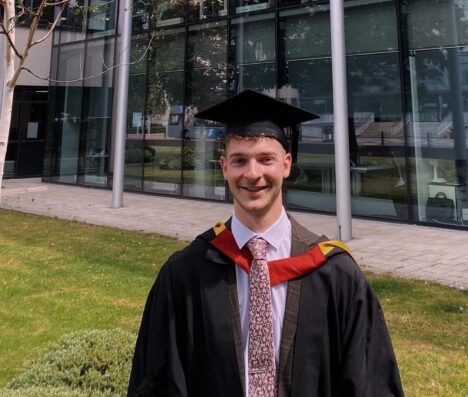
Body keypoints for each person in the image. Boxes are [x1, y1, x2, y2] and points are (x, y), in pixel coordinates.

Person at [128, 90, 404, 397]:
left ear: (286, 165)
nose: (253, 173)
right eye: (240, 161)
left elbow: (370, 383)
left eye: (265, 159)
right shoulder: (184, 275)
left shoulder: (336, 276)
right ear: (224, 168)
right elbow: (157, 382)